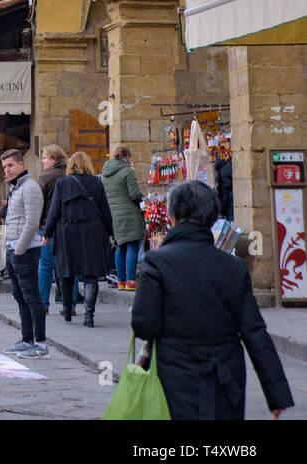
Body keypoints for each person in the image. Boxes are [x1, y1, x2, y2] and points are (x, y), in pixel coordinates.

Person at [132, 181, 293, 420]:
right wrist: (276, 394)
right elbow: (254, 331)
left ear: (173, 216)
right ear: (211, 218)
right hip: (226, 376)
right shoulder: (233, 266)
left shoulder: (157, 263)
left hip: (175, 375)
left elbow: (144, 324)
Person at [44, 151, 113, 327]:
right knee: (90, 274)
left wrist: (47, 233)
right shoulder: (96, 183)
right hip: (92, 232)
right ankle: (89, 315)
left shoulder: (63, 183)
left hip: (68, 231)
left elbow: (54, 212)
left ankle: (67, 309)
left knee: (67, 272)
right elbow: (105, 210)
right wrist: (110, 231)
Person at [0, 149, 48, 358]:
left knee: (31, 296)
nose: (7, 171)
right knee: (19, 296)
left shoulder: (30, 187)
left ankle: (41, 344)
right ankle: (27, 339)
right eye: (4, 167)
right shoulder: (16, 188)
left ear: (21, 164)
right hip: (13, 249)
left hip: (25, 250)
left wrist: (19, 249)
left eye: (10, 166)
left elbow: (32, 221)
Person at [101, 147, 145, 291]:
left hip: (113, 214)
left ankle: (121, 281)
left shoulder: (105, 174)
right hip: (129, 214)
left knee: (120, 246)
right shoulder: (127, 172)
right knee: (132, 245)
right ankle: (131, 281)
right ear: (126, 156)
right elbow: (134, 194)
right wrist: (142, 198)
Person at [36, 145, 68, 311]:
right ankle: (69, 304)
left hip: (48, 227)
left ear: (54, 159)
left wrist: (39, 225)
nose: (43, 161)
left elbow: (39, 204)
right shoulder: (70, 175)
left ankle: (43, 304)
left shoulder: (45, 177)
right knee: (69, 266)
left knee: (45, 266)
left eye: (45, 158)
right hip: (68, 227)